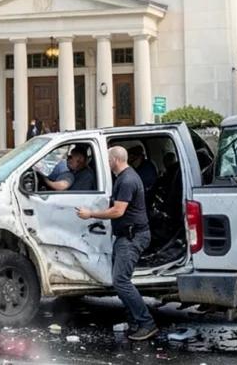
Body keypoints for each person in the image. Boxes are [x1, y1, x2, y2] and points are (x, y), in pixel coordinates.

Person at [76, 146, 157, 341]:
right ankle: (135, 320)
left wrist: (91, 214)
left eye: (108, 159)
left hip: (133, 237)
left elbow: (118, 211)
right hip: (127, 236)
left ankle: (147, 323)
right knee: (120, 281)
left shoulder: (128, 180)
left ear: (115, 160)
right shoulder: (124, 177)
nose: (107, 162)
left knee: (121, 281)